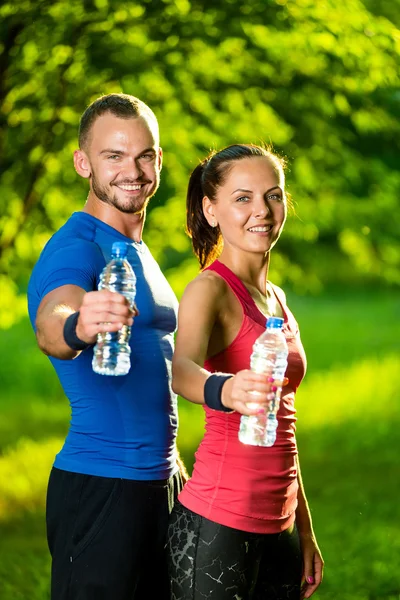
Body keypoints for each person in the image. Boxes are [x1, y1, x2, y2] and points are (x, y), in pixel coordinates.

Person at [27, 93, 188, 600]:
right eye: (113, 156)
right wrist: (78, 325)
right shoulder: (78, 246)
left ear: (159, 160)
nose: (132, 171)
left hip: (162, 482)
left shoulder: (135, 249)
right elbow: (53, 322)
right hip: (101, 486)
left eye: (144, 155)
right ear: (83, 163)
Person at [166, 144, 324, 600]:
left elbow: (283, 427)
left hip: (281, 526)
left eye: (273, 196)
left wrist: (303, 528)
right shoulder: (210, 289)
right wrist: (226, 388)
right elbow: (179, 369)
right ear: (211, 210)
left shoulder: (276, 299)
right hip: (219, 521)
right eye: (243, 198)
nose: (262, 211)